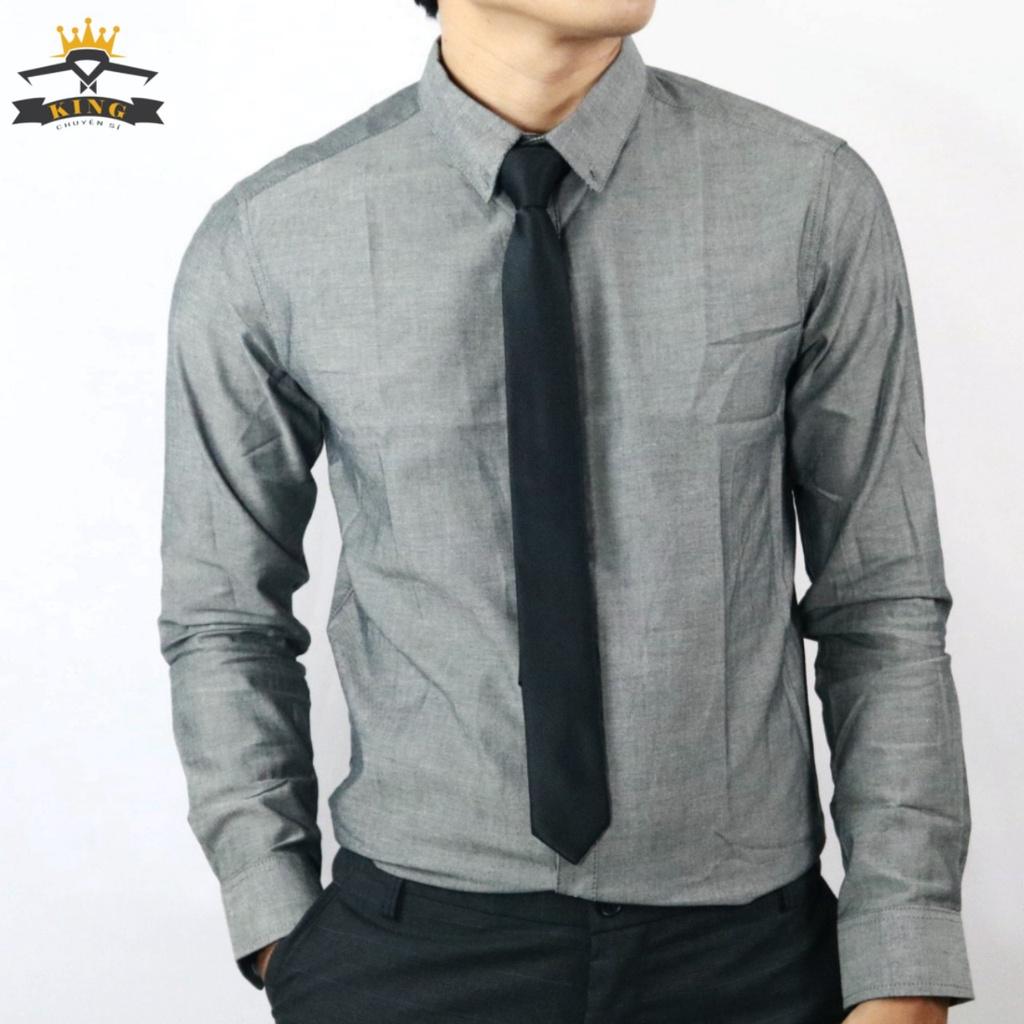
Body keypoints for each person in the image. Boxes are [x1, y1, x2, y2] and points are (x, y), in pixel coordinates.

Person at [157, 1, 974, 1021]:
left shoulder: (806, 195)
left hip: (751, 955)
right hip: (408, 951)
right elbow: (223, 614)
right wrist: (279, 924)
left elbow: (881, 598)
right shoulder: (274, 235)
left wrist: (903, 960)